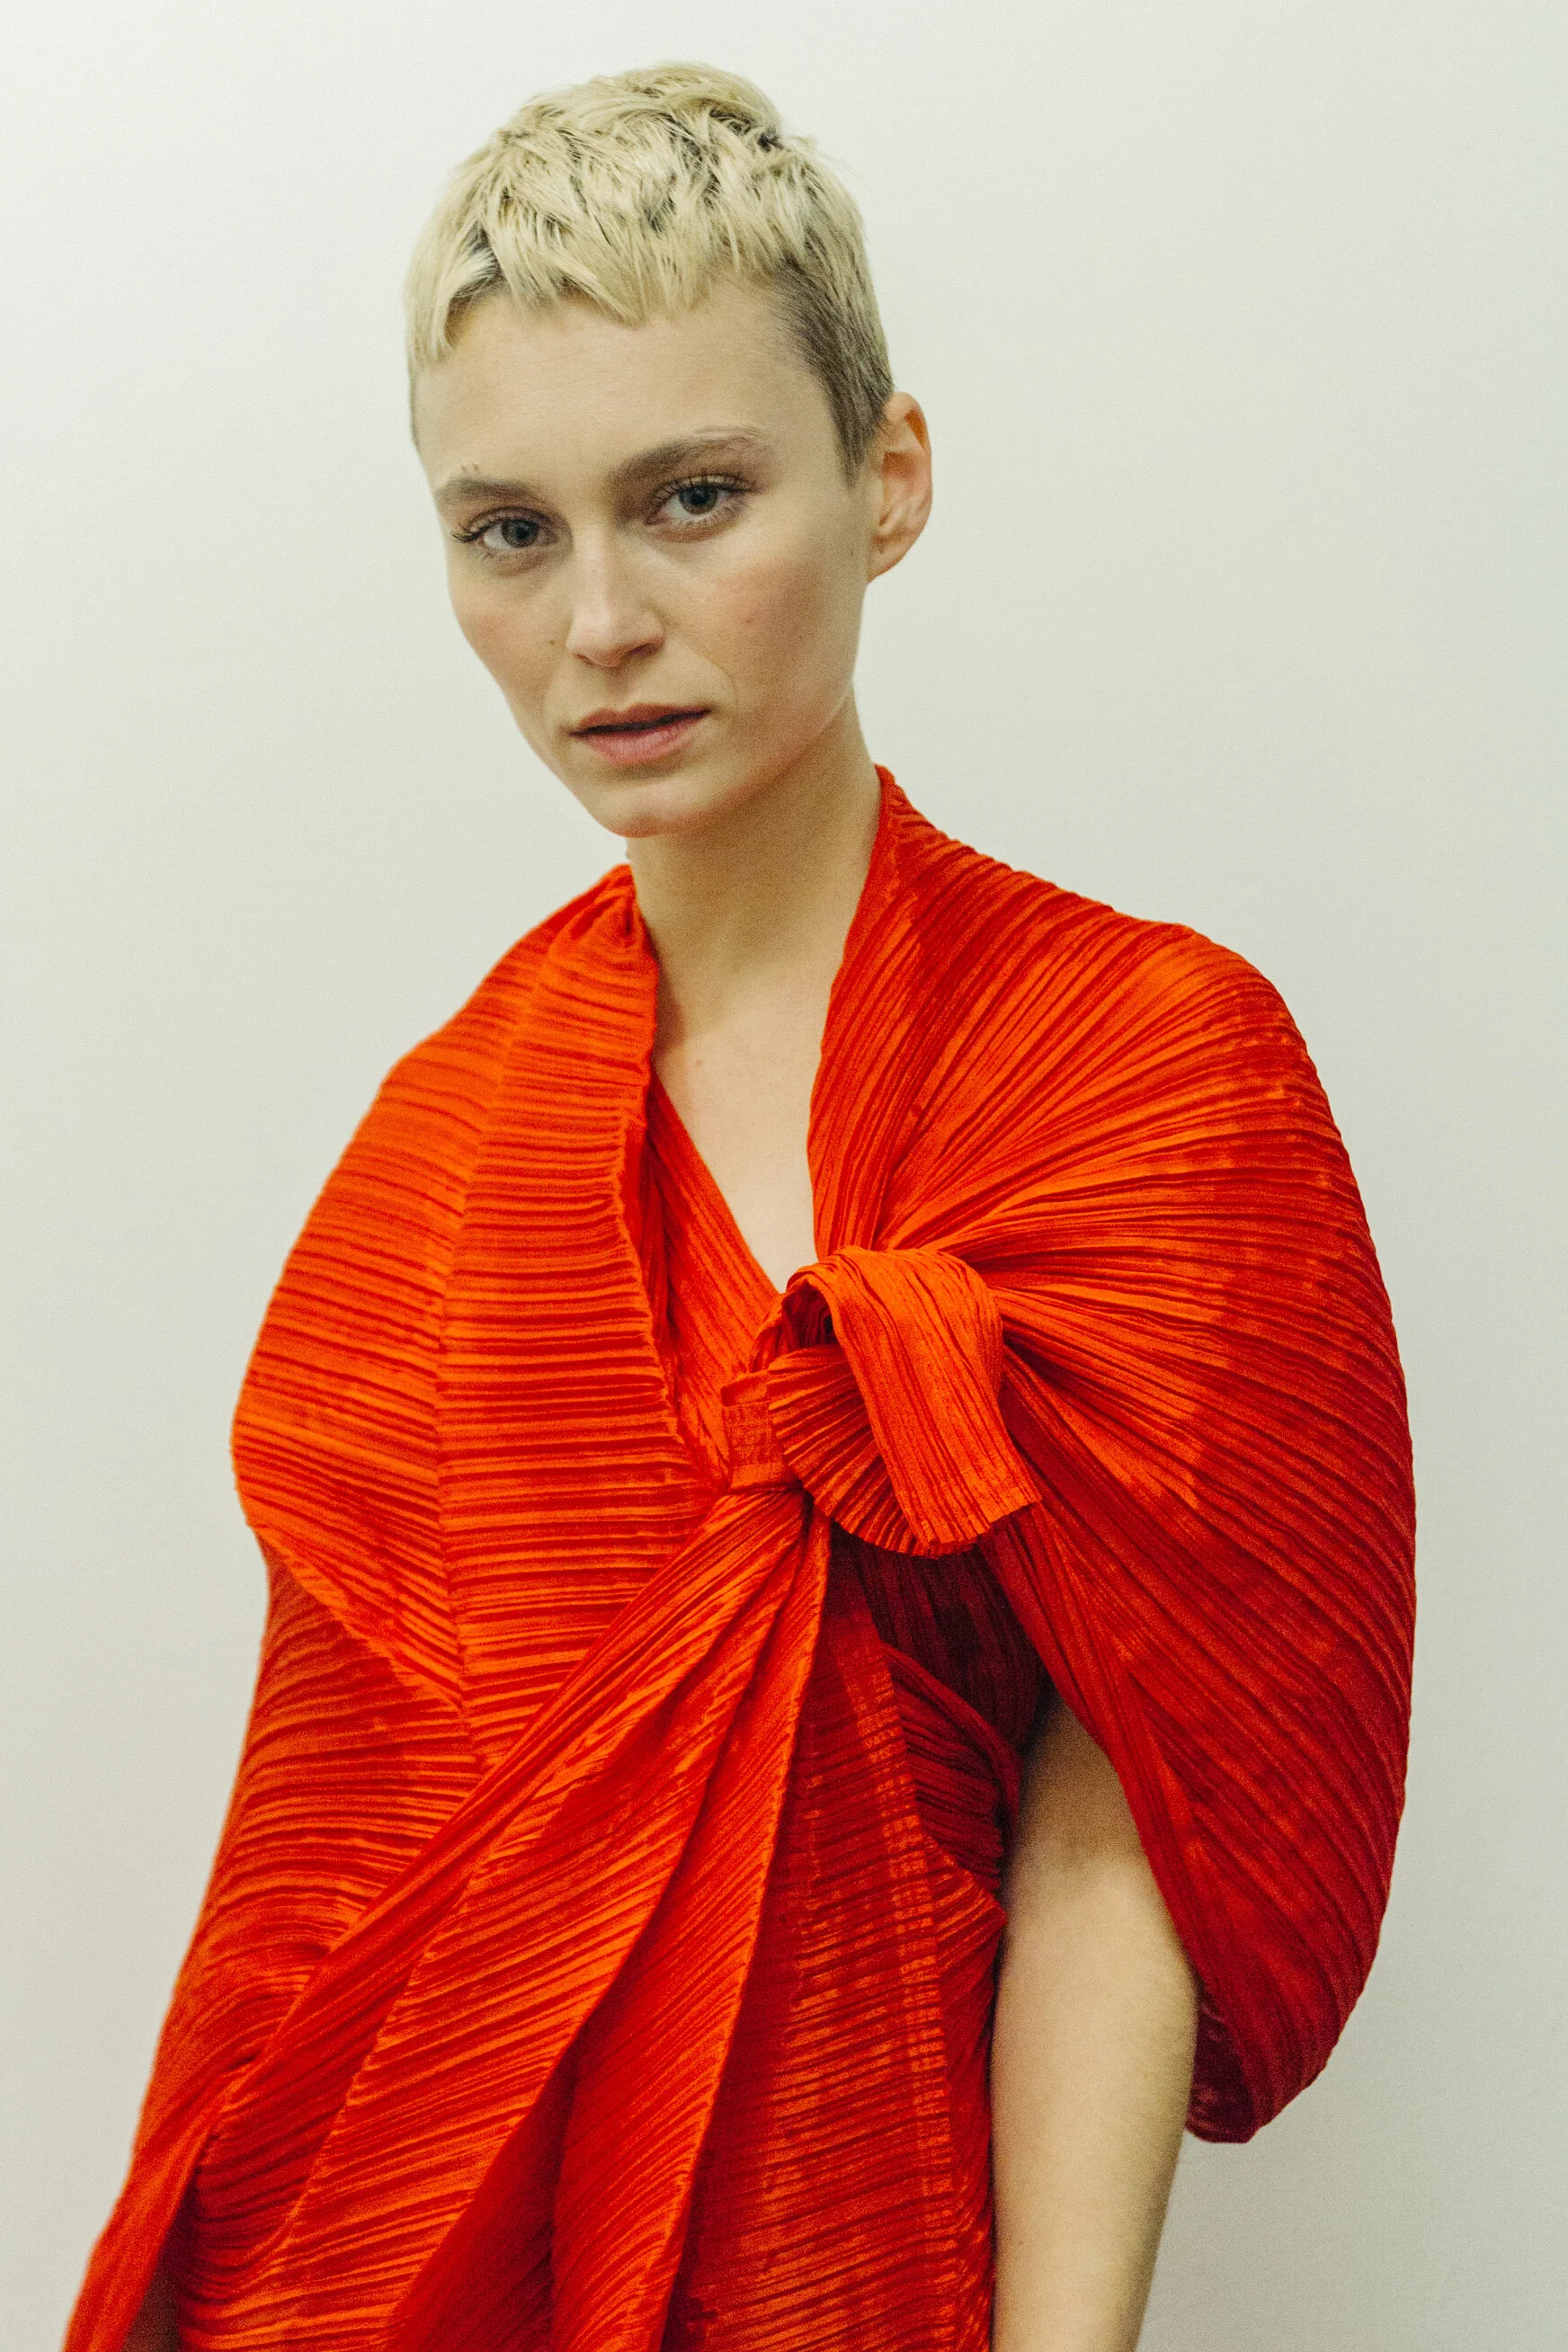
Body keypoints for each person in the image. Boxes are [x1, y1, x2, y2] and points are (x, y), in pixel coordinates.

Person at [68, 61, 1416, 2352]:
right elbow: (330, 1927)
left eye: (689, 497)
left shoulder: (1147, 1077)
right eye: (508, 531)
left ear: (886, 478)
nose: (600, 618)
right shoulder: (440, 1164)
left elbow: (1135, 1828)